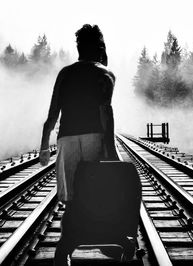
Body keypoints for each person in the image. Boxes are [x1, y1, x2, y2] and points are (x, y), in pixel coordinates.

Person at [39, 24, 117, 264]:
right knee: (94, 192)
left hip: (68, 139)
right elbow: (106, 113)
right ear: (100, 47)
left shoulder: (65, 73)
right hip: (94, 137)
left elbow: (53, 114)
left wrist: (44, 146)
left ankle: (64, 250)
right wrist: (111, 150)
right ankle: (101, 239)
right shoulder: (105, 74)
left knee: (71, 198)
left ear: (78, 47)